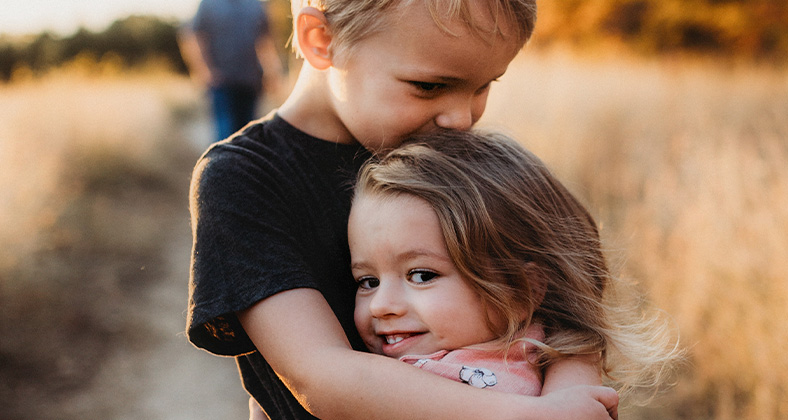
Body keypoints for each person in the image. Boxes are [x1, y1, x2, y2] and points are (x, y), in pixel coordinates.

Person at [187, 1, 620, 419]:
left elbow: (572, 306)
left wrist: (566, 400)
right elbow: (321, 375)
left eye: (484, 85)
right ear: (321, 39)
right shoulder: (246, 178)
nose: (461, 119)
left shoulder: (458, 162)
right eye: (430, 86)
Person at [349, 130, 680, 399]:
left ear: (523, 291)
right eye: (367, 281)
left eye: (421, 275)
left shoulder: (527, 387)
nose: (380, 306)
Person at [178, 0, 282, 143]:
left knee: (248, 137)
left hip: (250, 81)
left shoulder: (256, 5)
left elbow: (265, 40)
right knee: (226, 137)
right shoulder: (208, 4)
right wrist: (204, 71)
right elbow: (193, 36)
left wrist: (272, 73)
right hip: (221, 83)